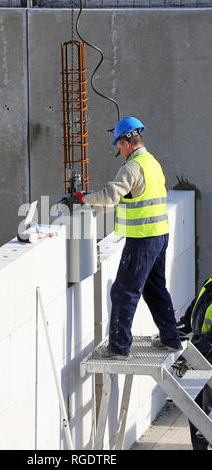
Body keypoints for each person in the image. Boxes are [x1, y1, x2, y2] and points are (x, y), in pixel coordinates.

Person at [80, 116, 182, 359]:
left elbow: (111, 195)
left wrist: (84, 198)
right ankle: (170, 339)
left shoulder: (132, 167)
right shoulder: (152, 163)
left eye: (118, 145)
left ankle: (118, 347)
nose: (119, 150)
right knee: (155, 288)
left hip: (143, 238)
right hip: (159, 234)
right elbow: (136, 196)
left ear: (125, 143)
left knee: (123, 291)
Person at [177, 277, 212, 450]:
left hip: (206, 355)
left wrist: (192, 352)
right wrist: (172, 332)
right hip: (199, 355)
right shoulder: (209, 282)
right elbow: (190, 316)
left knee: (208, 413)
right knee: (193, 410)